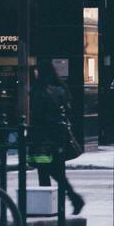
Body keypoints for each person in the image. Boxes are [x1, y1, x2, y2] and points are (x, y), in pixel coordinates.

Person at [31, 61, 84, 215]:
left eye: (36, 69)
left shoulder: (39, 91)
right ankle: (66, 203)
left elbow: (37, 116)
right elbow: (68, 111)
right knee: (57, 173)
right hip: (58, 138)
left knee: (45, 172)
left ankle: (53, 207)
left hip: (42, 139)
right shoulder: (61, 89)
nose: (35, 72)